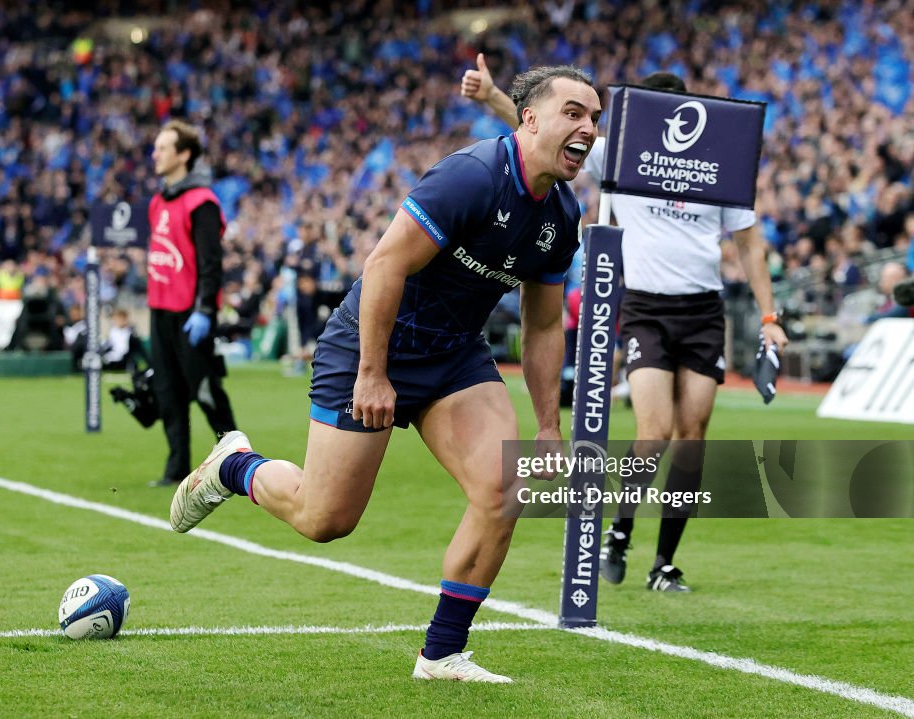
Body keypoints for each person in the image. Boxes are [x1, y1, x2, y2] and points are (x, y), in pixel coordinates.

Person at [170, 66, 601, 681]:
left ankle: (442, 653)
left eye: (594, 118)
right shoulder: (472, 175)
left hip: (454, 357)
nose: (587, 128)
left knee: (503, 488)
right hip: (370, 344)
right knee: (325, 521)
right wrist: (373, 373)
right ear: (530, 117)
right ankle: (234, 466)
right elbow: (384, 264)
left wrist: (548, 425)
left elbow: (541, 327)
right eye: (574, 113)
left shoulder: (562, 214)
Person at [461, 54, 788, 592]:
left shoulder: (720, 166)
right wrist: (492, 95)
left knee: (693, 438)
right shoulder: (621, 155)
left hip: (704, 310)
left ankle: (664, 564)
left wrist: (771, 316)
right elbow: (537, 131)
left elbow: (749, 245)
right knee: (655, 432)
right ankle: (621, 529)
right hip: (644, 307)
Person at [147, 120, 238, 488]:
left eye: (163, 148)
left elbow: (210, 262)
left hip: (191, 313)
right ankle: (176, 469)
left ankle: (237, 462)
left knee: (204, 389)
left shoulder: (202, 202)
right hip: (160, 310)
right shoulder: (157, 202)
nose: (156, 154)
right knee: (168, 392)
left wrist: (204, 309)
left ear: (184, 155)